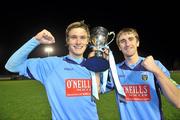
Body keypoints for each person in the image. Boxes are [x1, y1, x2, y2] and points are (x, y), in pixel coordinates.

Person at [5, 21, 100, 120]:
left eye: (82, 37)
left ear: (88, 41)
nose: (78, 42)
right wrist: (35, 40)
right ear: (67, 40)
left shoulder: (94, 66)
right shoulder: (51, 65)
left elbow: (102, 90)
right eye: (73, 37)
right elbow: (12, 66)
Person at [108, 28, 180, 120]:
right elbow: (96, 90)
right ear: (119, 47)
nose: (127, 44)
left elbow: (178, 101)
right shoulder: (115, 70)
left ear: (137, 43)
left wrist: (156, 71)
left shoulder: (155, 65)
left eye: (131, 39)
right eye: (123, 41)